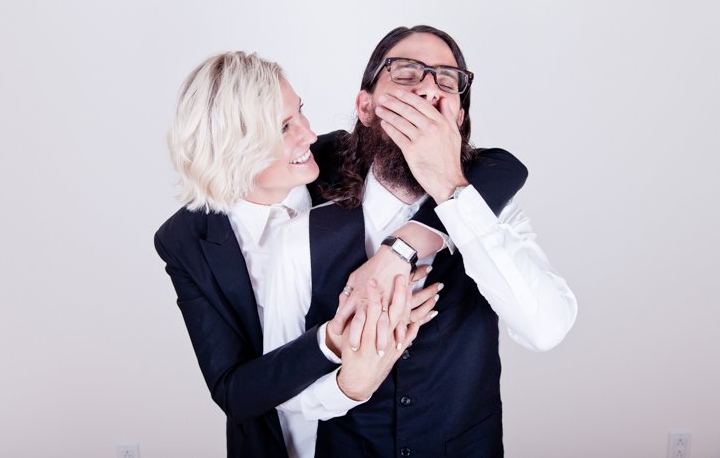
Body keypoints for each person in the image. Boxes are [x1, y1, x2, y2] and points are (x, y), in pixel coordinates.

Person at [154, 50, 527, 457]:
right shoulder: (186, 240)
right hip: (280, 443)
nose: (309, 135)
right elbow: (234, 390)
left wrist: (405, 245)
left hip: (371, 437)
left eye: (301, 113)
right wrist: (333, 339)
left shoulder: (334, 159)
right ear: (232, 147)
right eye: (284, 127)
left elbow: (497, 167)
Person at [263, 25, 578, 458]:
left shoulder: (496, 218)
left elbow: (546, 329)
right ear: (366, 106)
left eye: (447, 80)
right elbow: (281, 387)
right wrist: (349, 384)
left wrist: (450, 189)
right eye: (406, 74)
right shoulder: (299, 232)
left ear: (459, 118)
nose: (429, 88)